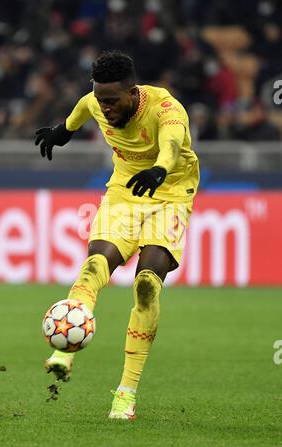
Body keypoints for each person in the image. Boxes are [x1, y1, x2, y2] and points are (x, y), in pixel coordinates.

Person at [35, 50, 200, 420]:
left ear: (132, 92)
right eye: (100, 99)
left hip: (170, 192)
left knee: (146, 284)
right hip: (125, 192)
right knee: (96, 263)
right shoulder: (94, 101)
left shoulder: (165, 108)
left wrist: (159, 169)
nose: (105, 108)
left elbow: (172, 144)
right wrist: (62, 133)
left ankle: (125, 393)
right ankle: (65, 350)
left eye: (112, 101)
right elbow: (79, 111)